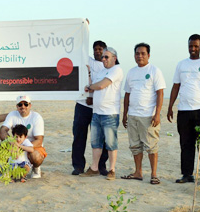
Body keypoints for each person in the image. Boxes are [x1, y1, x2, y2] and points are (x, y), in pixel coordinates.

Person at [167, 34, 200, 183]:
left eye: (195, 46)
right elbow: (176, 86)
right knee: (185, 144)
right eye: (190, 46)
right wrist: (170, 106)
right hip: (184, 110)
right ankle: (187, 174)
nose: (193, 49)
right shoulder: (181, 64)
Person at [121, 43, 166, 185]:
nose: (140, 56)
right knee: (134, 145)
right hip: (133, 115)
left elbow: (160, 93)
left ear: (148, 55)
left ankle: (154, 174)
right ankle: (138, 172)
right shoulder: (131, 72)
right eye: (137, 54)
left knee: (151, 145)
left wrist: (157, 114)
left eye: (143, 53)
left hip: (148, 115)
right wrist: (125, 114)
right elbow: (127, 94)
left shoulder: (154, 71)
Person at [81, 48, 123, 180]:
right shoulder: (101, 71)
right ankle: (94, 168)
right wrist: (89, 75)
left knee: (111, 143)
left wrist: (90, 87)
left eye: (106, 57)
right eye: (103, 57)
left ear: (114, 58)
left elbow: (100, 86)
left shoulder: (117, 70)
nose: (103, 59)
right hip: (97, 112)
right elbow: (93, 85)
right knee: (96, 142)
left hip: (109, 113)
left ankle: (112, 170)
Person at [71, 41, 109, 176]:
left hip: (98, 107)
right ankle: (78, 166)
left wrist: (92, 97)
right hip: (82, 105)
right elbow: (79, 44)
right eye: (95, 49)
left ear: (105, 50)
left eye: (100, 49)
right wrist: (84, 26)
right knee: (79, 136)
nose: (98, 51)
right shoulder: (88, 61)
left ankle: (101, 166)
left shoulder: (108, 67)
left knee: (100, 138)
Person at [0, 95, 46, 178]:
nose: (23, 107)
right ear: (17, 106)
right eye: (20, 105)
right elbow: (2, 131)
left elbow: (39, 140)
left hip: (31, 146)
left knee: (36, 156)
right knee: (0, 150)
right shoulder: (12, 114)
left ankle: (36, 168)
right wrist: (12, 143)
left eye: (26, 104)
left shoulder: (36, 117)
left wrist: (21, 147)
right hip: (15, 144)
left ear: (30, 105)